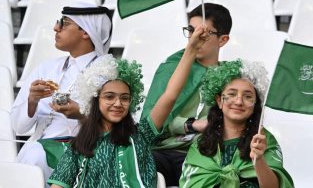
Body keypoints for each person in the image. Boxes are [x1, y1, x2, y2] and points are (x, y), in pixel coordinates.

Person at [47, 23, 211, 187]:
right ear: (95, 99)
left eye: (125, 98)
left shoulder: (141, 135)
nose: (118, 103)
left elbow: (170, 95)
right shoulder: (77, 147)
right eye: (109, 97)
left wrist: (192, 49)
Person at [10, 3, 112, 184]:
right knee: (32, 157)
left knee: (34, 158)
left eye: (64, 23)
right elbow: (19, 128)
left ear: (86, 32)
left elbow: (116, 126)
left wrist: (80, 115)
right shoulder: (46, 68)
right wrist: (32, 101)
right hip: (38, 147)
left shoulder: (108, 72)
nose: (56, 28)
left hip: (85, 150)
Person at [140, 3, 232, 186]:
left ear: (222, 40)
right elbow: (151, 122)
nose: (194, 39)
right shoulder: (173, 67)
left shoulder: (230, 77)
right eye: (191, 31)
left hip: (205, 153)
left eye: (203, 34)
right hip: (163, 149)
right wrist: (192, 124)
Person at [179, 60, 294, 188]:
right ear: (219, 101)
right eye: (232, 94)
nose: (239, 101)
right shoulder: (200, 144)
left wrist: (259, 160)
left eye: (247, 96)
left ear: (255, 104)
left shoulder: (263, 140)